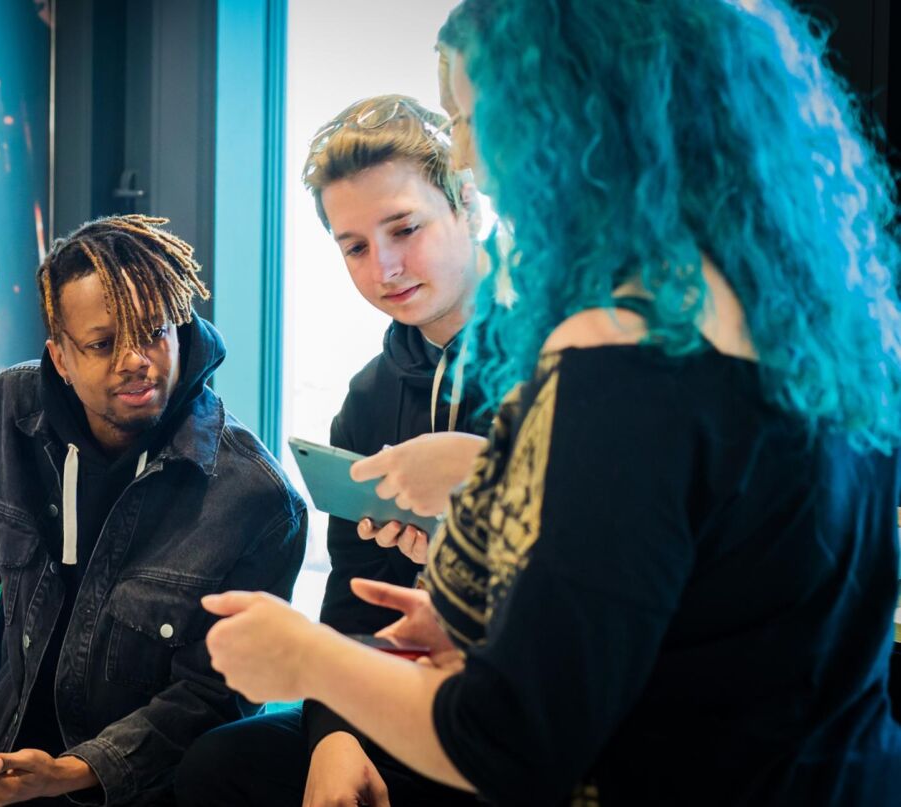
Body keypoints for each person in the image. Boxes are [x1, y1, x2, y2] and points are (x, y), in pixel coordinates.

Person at [199, 0, 901, 804]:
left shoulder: (621, 350)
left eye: (472, 115)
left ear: (575, 116)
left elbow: (514, 737)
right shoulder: (808, 317)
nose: (467, 152)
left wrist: (303, 658)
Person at [0, 214, 307, 807]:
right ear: (60, 358)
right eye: (104, 343)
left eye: (153, 332)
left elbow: (213, 695)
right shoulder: (7, 415)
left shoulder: (255, 499)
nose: (135, 359)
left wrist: (78, 770)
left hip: (142, 793)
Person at [177, 95, 486, 807]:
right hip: (406, 697)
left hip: (528, 702)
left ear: (466, 204)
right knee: (217, 768)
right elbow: (351, 600)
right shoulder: (371, 398)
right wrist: (335, 737)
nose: (384, 267)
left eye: (404, 228)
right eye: (353, 246)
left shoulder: (562, 364)